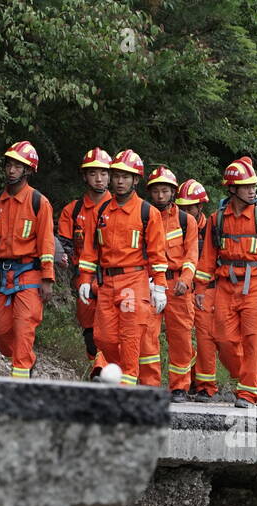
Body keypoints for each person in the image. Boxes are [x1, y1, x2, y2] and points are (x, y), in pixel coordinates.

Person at [195, 157, 257, 407]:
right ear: (232, 189)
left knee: (253, 337)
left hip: (255, 284)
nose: (252, 190)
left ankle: (248, 392)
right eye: (247, 186)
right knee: (223, 338)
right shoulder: (217, 219)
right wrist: (201, 288)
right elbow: (207, 258)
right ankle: (249, 378)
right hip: (225, 285)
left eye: (253, 186)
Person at [75, 149, 168, 385]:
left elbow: (157, 254)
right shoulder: (102, 211)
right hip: (106, 283)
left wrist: (159, 286)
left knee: (129, 336)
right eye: (116, 176)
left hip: (133, 282)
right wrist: (85, 278)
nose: (119, 181)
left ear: (136, 180)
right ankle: (121, 373)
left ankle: (127, 384)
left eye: (125, 177)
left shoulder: (148, 213)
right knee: (102, 337)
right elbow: (90, 250)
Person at [0, 140, 55, 379]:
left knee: (24, 325)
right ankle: (24, 357)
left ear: (28, 170)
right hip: (0, 274)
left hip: (30, 273)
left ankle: (20, 379)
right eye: (9, 165)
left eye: (18, 166)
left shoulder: (39, 203)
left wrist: (47, 278)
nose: (12, 170)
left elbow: (46, 244)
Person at [55, 147, 112, 377]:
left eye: (103, 173)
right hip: (83, 278)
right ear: (84, 176)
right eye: (93, 173)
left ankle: (102, 371)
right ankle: (99, 364)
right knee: (90, 334)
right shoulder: (73, 210)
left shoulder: (121, 208)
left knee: (107, 329)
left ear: (110, 176)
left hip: (112, 277)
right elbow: (65, 243)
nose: (98, 178)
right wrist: (62, 257)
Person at [146, 166, 200, 397]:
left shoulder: (186, 221)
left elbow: (191, 255)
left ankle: (179, 387)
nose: (160, 196)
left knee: (180, 338)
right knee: (147, 335)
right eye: (156, 191)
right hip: (150, 284)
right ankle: (150, 385)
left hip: (178, 286)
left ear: (173, 193)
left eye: (165, 191)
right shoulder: (143, 215)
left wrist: (186, 280)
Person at [176, 178, 218, 401]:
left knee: (204, 338)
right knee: (182, 338)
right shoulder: (177, 224)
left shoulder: (213, 226)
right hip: (181, 288)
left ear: (200, 206)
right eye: (182, 207)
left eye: (189, 207)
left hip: (205, 290)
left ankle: (205, 385)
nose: (185, 211)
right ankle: (188, 380)